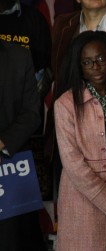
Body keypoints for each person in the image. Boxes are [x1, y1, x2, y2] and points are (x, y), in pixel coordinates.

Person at [53, 31, 106, 251]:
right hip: (82, 202)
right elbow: (73, 164)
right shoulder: (65, 104)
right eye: (87, 62)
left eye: (101, 59)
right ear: (80, 66)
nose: (96, 66)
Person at [0, 40, 46, 251]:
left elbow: (32, 112)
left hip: (10, 168)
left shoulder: (20, 55)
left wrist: (3, 143)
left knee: (11, 242)